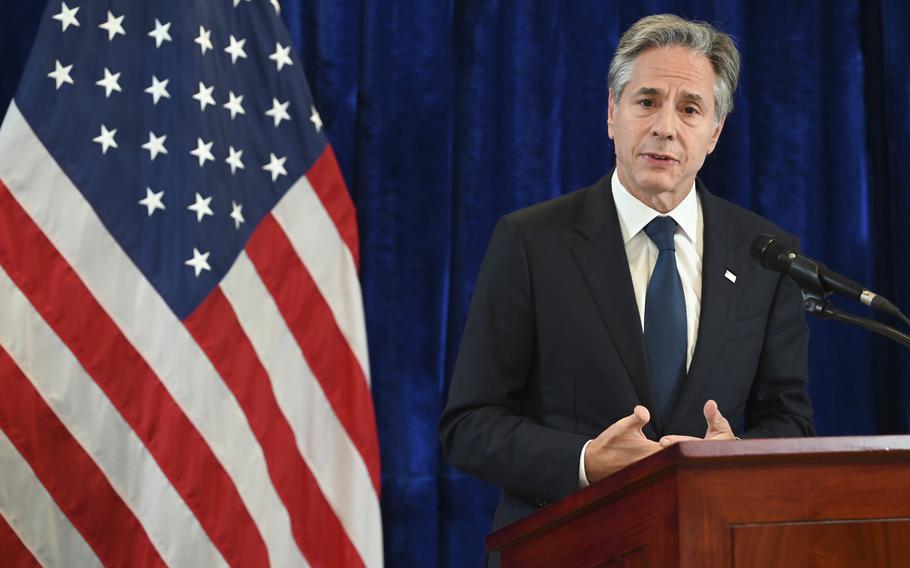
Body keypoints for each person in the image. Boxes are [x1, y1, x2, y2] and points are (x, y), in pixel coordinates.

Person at [438, 12, 815, 560]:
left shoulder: (765, 252)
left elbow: (791, 419)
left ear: (715, 132)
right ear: (612, 113)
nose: (665, 126)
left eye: (689, 109)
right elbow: (468, 425)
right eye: (646, 101)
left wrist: (733, 458)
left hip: (709, 547)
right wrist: (586, 459)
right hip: (565, 547)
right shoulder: (531, 240)